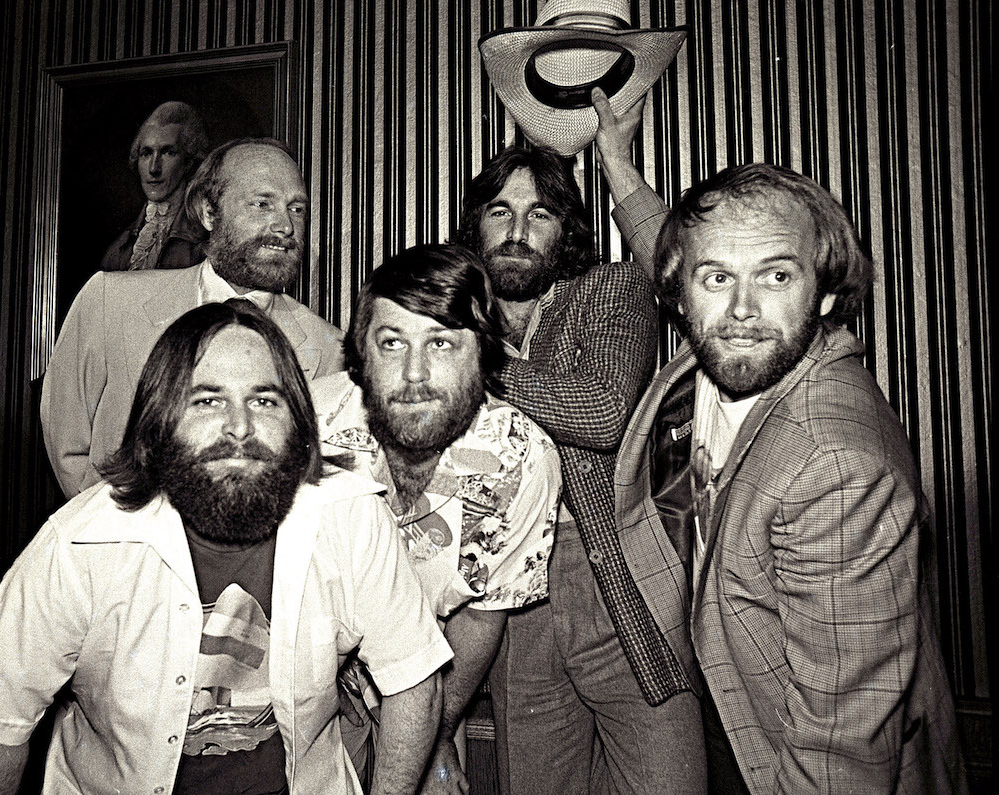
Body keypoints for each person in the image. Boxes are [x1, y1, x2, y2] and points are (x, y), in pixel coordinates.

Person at [0, 300, 451, 794]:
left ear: (298, 423)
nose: (240, 427)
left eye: (264, 400)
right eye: (207, 400)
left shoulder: (352, 514)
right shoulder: (80, 542)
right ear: (160, 422)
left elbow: (414, 681)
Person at [615, 162, 966, 792]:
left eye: (777, 276)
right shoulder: (726, 347)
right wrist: (618, 168)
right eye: (717, 278)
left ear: (825, 294)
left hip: (781, 755)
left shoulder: (834, 465)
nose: (742, 309)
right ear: (679, 290)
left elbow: (840, 745)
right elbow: (673, 246)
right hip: (729, 699)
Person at [451, 90, 705, 794]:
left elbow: (598, 411)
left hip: (620, 586)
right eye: (499, 211)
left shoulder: (612, 289)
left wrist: (469, 360)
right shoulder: (450, 320)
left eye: (540, 213)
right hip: (513, 608)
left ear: (566, 233)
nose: (517, 229)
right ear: (475, 229)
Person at [309, 244, 561, 793]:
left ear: (485, 354)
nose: (414, 373)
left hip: (434, 671)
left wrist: (435, 736)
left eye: (441, 343)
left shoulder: (522, 459)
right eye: (392, 342)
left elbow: (480, 616)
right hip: (306, 673)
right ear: (360, 351)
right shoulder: (304, 429)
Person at [42, 137, 345, 497]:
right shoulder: (109, 301)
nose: (285, 226)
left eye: (296, 209)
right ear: (208, 212)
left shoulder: (330, 349)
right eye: (263, 204)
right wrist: (115, 534)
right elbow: (67, 441)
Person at [101, 100, 209, 271]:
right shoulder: (119, 249)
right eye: (146, 153)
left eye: (168, 152)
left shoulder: (205, 242)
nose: (153, 168)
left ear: (188, 162)